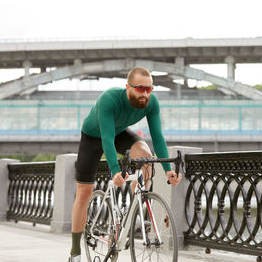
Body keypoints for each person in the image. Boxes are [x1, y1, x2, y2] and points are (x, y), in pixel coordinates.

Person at [69, 66, 182, 261]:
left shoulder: (151, 103)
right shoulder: (109, 99)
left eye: (149, 89)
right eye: (140, 88)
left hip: (120, 133)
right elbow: (107, 139)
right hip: (94, 137)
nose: (145, 94)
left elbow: (157, 137)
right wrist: (115, 171)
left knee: (145, 156)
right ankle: (75, 252)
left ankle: (135, 211)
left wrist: (168, 170)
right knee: (83, 193)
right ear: (127, 87)